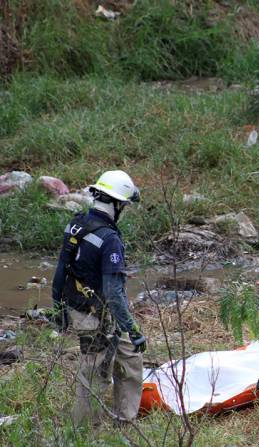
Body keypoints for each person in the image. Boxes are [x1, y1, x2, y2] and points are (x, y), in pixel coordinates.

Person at [51, 170, 146, 425]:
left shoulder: (76, 223)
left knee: (130, 358)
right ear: (116, 204)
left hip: (81, 306)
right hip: (96, 313)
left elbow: (61, 269)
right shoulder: (110, 239)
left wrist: (57, 308)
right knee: (95, 372)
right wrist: (133, 329)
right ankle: (82, 433)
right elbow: (114, 294)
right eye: (123, 205)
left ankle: (125, 421)